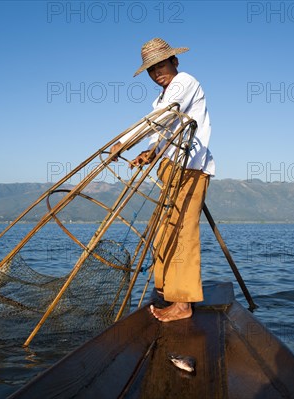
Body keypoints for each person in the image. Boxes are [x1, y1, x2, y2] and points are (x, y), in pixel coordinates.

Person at [111, 38, 214, 322]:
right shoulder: (160, 98)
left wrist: (123, 142)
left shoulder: (184, 83)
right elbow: (161, 135)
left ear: (174, 61)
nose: (158, 73)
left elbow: (161, 119)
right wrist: (148, 153)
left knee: (182, 233)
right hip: (170, 170)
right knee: (165, 231)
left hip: (190, 169)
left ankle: (183, 304)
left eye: (162, 65)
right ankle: (168, 289)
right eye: (152, 70)